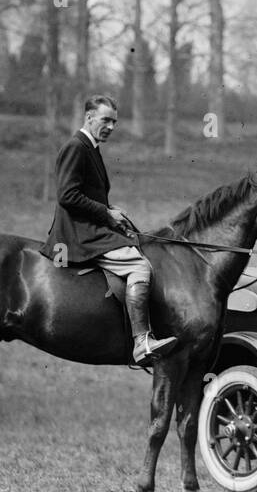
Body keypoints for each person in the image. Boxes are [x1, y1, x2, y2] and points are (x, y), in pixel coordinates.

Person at [40, 94, 177, 364]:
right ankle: (141, 342)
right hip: (78, 234)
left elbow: (87, 194)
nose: (111, 127)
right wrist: (106, 213)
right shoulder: (76, 147)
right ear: (89, 117)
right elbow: (67, 196)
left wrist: (112, 213)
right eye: (106, 120)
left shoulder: (91, 148)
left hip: (91, 226)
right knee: (139, 267)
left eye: (114, 121)